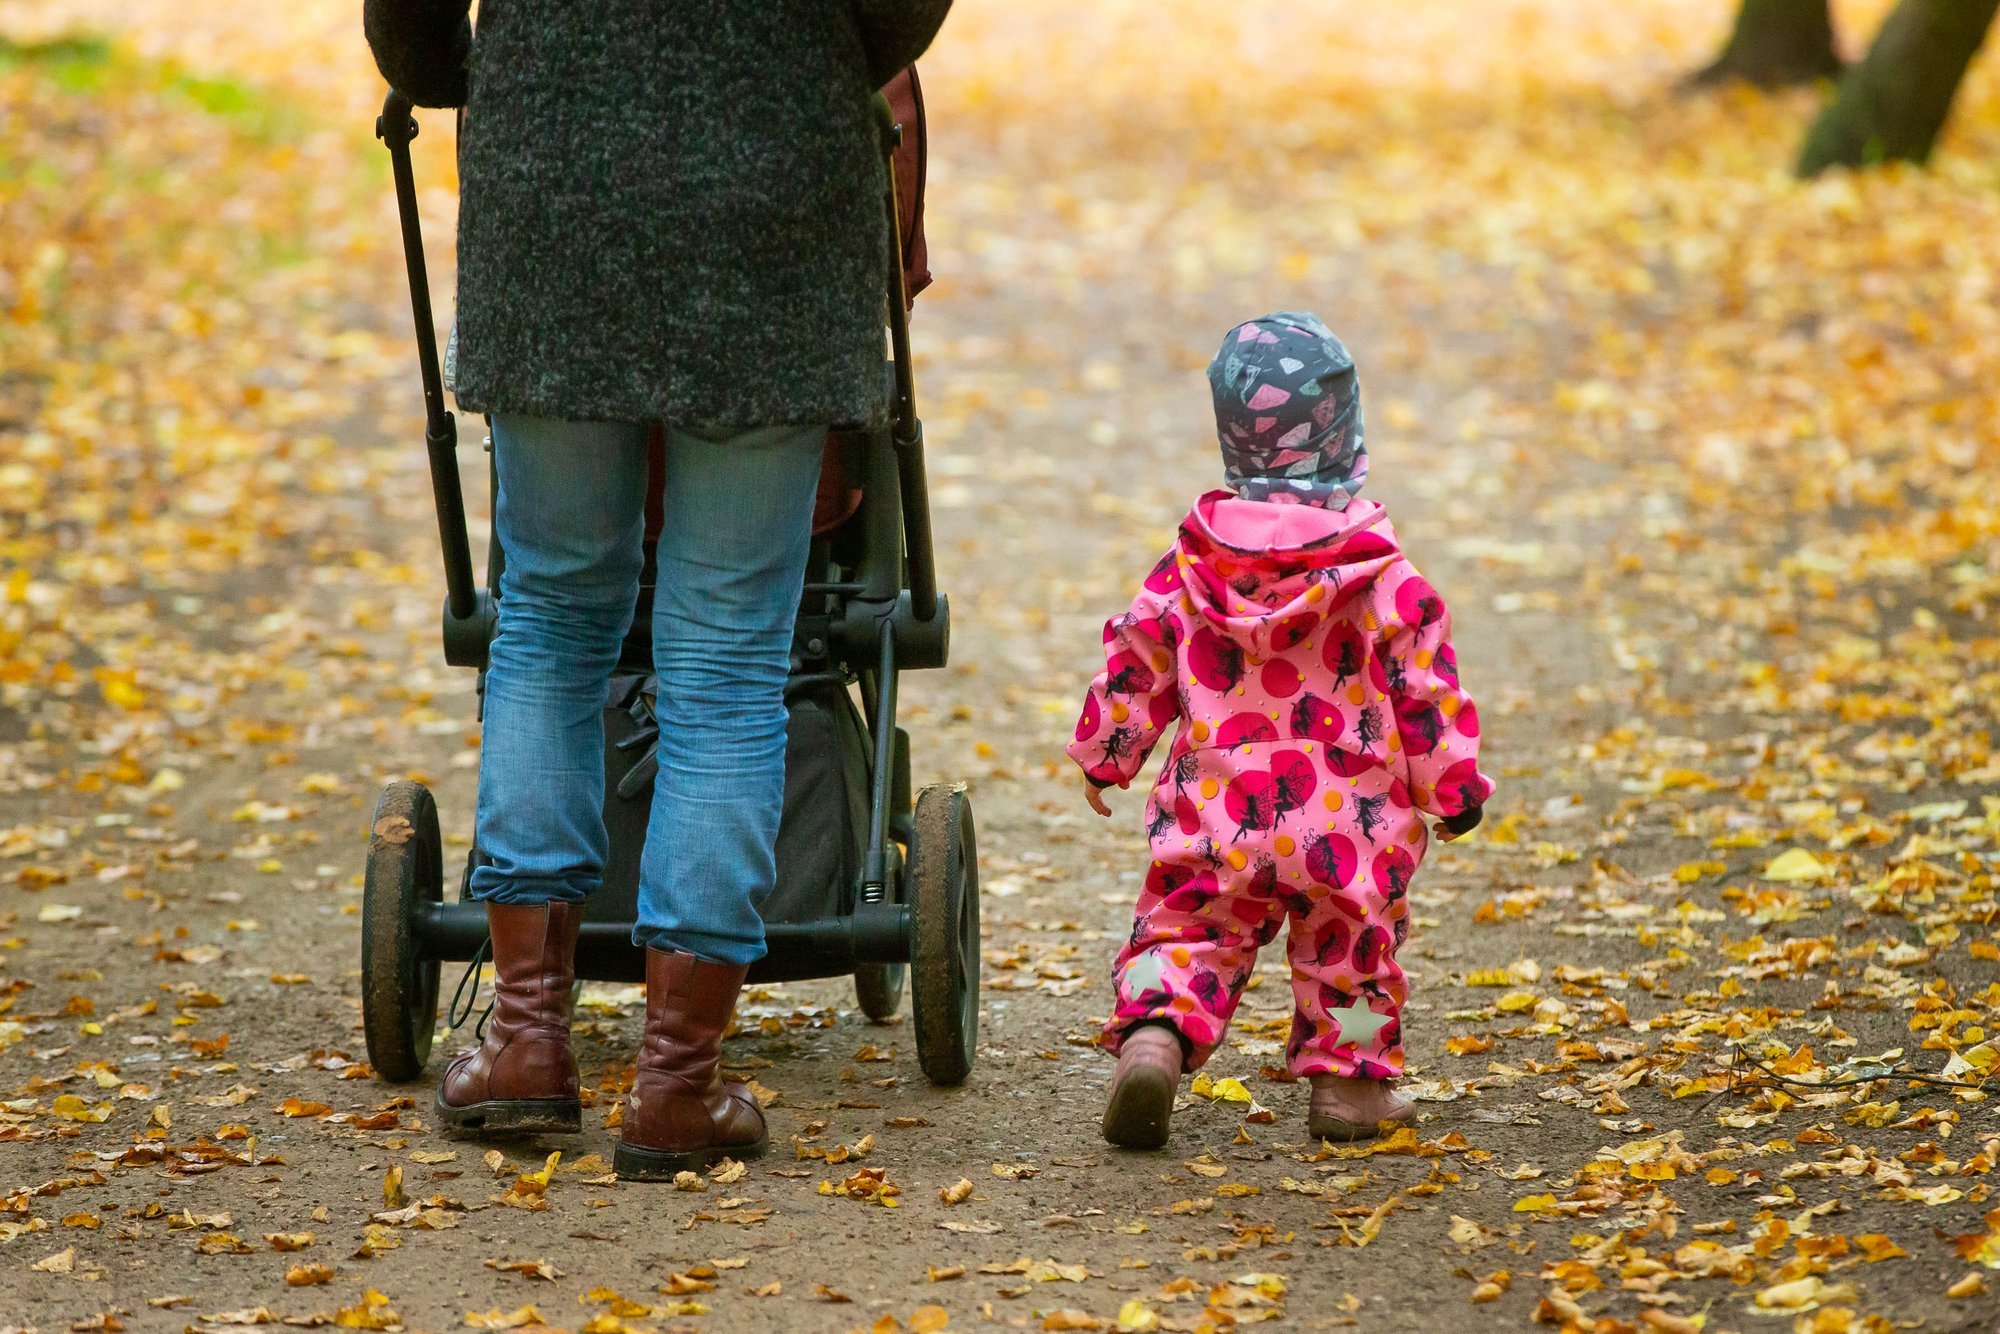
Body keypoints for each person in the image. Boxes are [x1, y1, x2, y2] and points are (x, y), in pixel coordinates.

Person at [361, 0, 952, 1181]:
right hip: (773, 179)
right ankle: (679, 1080)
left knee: (548, 622)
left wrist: (444, 72)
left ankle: (528, 1039)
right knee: (730, 650)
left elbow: (415, 16)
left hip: (555, 173)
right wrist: (824, 56)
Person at [1070, 313, 1493, 1150]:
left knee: (1190, 925)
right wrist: (1454, 788)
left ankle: (1157, 1036)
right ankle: (1348, 1093)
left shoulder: (1193, 562)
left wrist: (1109, 754)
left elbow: (1139, 650)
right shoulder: (1381, 575)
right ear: (1345, 435)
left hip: (1217, 810)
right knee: (1350, 945)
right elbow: (1425, 684)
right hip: (1348, 822)